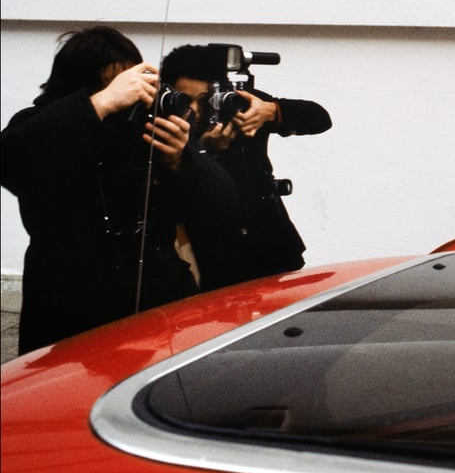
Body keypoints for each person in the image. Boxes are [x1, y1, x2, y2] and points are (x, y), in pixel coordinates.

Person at [1, 26, 238, 354]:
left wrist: (183, 160)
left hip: (157, 307)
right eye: (117, 87)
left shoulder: (147, 129)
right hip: (68, 312)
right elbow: (11, 163)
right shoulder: (42, 124)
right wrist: (97, 105)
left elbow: (222, 204)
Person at [160, 43, 332, 282]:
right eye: (185, 100)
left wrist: (270, 111)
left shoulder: (239, 105)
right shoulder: (164, 126)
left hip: (270, 248)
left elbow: (320, 118)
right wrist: (204, 153)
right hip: (214, 260)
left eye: (205, 99)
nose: (196, 110)